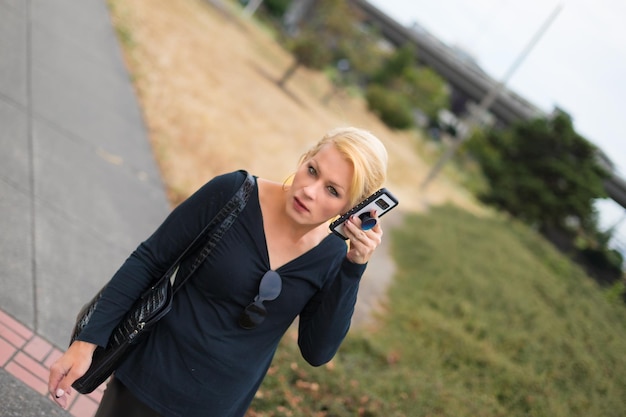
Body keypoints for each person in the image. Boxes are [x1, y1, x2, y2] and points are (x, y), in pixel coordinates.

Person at [48, 126, 389, 417]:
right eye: (312, 170)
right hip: (147, 382)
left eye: (332, 191)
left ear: (352, 207)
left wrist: (353, 268)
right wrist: (87, 341)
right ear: (305, 158)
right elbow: (149, 261)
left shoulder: (331, 256)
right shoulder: (233, 194)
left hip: (218, 406)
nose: (309, 191)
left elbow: (317, 351)